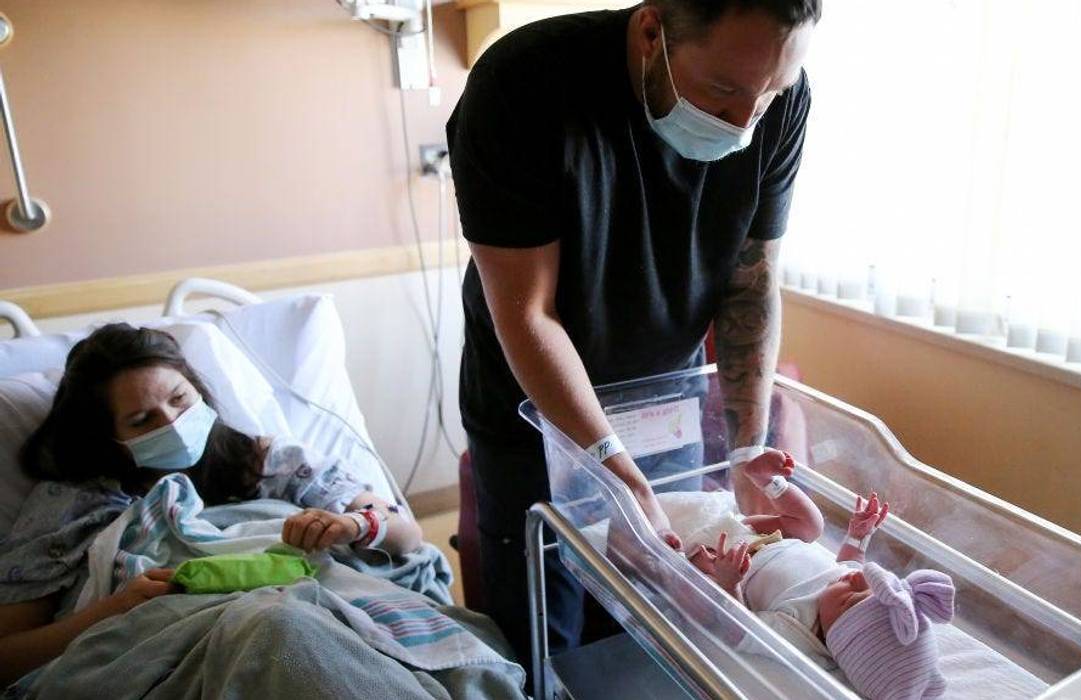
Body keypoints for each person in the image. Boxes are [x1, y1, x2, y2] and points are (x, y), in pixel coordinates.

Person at [447, 0, 818, 664]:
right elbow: (527, 311)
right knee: (546, 633)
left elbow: (751, 283)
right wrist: (616, 476)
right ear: (652, 32)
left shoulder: (776, 93)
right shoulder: (523, 83)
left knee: (661, 614)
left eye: (770, 96)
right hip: (536, 407)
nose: (746, 122)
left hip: (662, 398)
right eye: (723, 92)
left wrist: (744, 449)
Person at [0, 323, 423, 685]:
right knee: (279, 627)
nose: (173, 423)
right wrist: (113, 610)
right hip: (194, 649)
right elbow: (7, 655)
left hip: (325, 618)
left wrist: (353, 525)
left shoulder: (269, 463)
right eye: (142, 420)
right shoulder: (71, 507)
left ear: (198, 389)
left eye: (179, 399)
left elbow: (407, 535)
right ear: (106, 438)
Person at [688, 452, 956, 700]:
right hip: (762, 534)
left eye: (850, 600)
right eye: (867, 586)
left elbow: (739, 629)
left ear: (836, 638)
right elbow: (850, 564)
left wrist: (729, 582)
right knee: (812, 526)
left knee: (698, 600)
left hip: (723, 556)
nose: (855, 579)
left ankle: (670, 553)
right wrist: (858, 536)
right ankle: (769, 481)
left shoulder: (800, 634)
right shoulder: (848, 586)